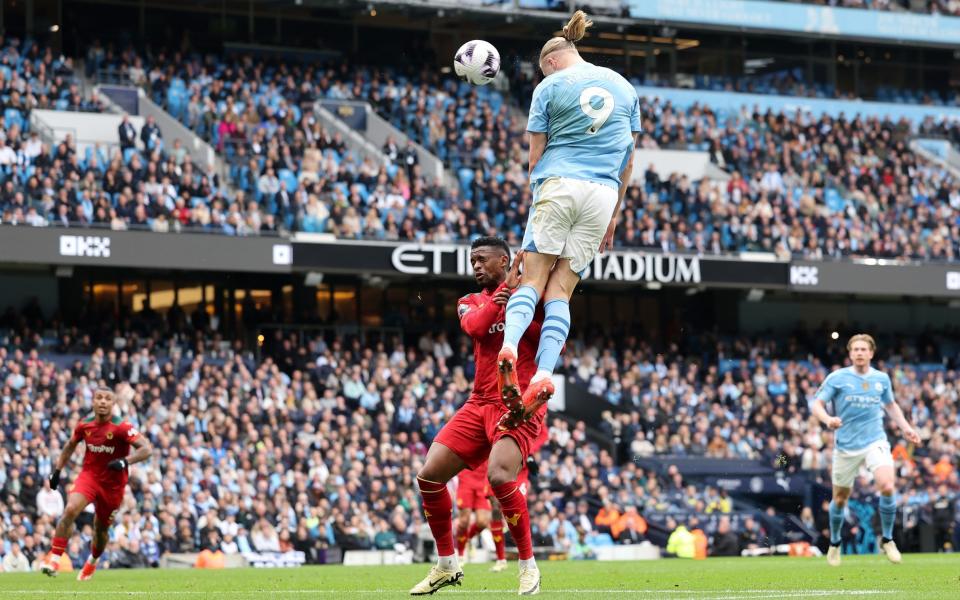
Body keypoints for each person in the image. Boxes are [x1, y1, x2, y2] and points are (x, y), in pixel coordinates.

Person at [497, 10, 642, 425]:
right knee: (561, 291)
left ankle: (509, 345)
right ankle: (544, 373)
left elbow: (535, 158)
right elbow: (628, 162)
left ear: (552, 61)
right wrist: (614, 214)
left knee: (533, 279)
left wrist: (535, 207)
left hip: (559, 183)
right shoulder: (624, 87)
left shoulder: (549, 86)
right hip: (603, 194)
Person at [410, 237, 545, 596]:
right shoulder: (470, 302)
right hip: (479, 402)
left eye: (482, 259)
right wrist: (502, 296)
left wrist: (517, 300)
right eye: (473, 260)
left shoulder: (531, 297)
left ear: (504, 260)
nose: (476, 266)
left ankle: (527, 566)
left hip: (517, 401)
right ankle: (447, 564)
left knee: (500, 475)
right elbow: (475, 327)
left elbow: (544, 334)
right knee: (428, 476)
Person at [811, 334, 921, 567]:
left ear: (871, 353)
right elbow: (816, 404)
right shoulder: (837, 378)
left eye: (864, 349)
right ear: (850, 354)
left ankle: (888, 539)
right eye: (856, 349)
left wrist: (906, 429)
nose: (860, 353)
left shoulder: (881, 379)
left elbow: (891, 405)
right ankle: (835, 542)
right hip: (846, 447)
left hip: (875, 441)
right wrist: (827, 419)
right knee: (840, 499)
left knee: (888, 486)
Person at [40, 387, 153, 580]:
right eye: (98, 398)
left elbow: (146, 449)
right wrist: (57, 471)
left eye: (107, 399)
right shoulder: (85, 425)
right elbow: (69, 446)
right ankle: (55, 559)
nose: (102, 402)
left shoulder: (122, 427)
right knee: (70, 510)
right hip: (89, 477)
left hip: (113, 486)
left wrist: (125, 461)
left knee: (100, 530)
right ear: (92, 402)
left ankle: (92, 561)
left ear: (113, 403)